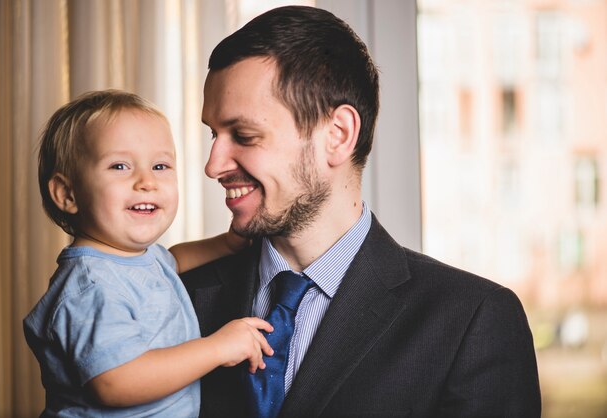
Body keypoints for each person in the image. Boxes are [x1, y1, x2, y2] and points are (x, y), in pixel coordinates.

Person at [180, 5, 541, 418]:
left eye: (243, 135)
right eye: (214, 134)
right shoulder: (177, 297)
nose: (213, 164)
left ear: (338, 135)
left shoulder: (471, 323)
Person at [23, 89, 273, 417]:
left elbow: (172, 260)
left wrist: (225, 244)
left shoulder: (132, 258)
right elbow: (116, 382)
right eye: (120, 166)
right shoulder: (92, 286)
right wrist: (217, 347)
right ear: (68, 194)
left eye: (159, 165)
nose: (146, 182)